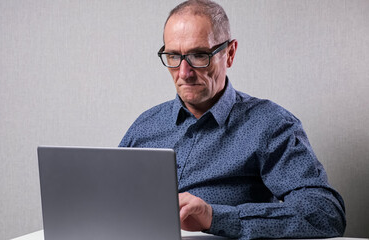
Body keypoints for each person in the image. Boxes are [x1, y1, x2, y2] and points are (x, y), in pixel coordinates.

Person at [119, 0, 346, 238]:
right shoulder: (145, 126)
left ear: (229, 53)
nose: (184, 73)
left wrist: (215, 218)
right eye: (174, 56)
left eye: (199, 55)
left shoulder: (270, 125)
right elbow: (108, 203)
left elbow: (325, 214)